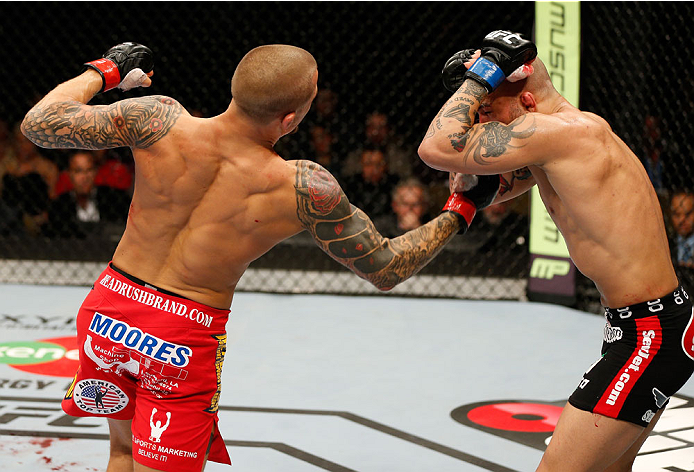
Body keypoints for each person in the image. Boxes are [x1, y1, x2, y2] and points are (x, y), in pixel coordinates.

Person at [21, 42, 496, 472]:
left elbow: (40, 124)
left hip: (109, 309)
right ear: (291, 119)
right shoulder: (302, 186)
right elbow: (388, 266)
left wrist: (106, 71)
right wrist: (462, 207)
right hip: (179, 336)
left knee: (122, 454)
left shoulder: (158, 118)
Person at [418, 31, 694, 471]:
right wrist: (472, 192)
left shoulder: (550, 133)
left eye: (490, 110)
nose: (483, 122)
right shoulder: (571, 134)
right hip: (650, 326)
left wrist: (478, 81)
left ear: (527, 102)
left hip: (648, 336)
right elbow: (503, 183)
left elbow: (435, 149)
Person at [44, 150, 130, 239]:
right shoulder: (58, 206)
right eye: (78, 171)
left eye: (89, 170)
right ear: (69, 174)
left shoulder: (115, 199)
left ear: (96, 171)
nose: (84, 177)